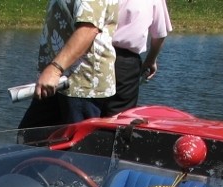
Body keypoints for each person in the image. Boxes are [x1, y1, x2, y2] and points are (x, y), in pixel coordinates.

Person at [19, 0, 119, 130]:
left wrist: (55, 69)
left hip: (82, 84)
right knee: (29, 135)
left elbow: (88, 29)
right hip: (57, 81)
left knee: (74, 145)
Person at [102, 0, 172, 117]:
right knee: (118, 115)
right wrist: (151, 60)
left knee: (87, 109)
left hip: (94, 53)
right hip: (125, 62)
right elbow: (159, 34)